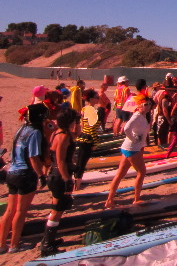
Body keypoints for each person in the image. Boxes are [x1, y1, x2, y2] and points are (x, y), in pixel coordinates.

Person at [0, 103, 48, 254]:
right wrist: (41, 175)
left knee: (9, 211)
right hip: (25, 174)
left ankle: (1, 244)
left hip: (12, 172)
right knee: (20, 211)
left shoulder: (21, 129)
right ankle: (14, 245)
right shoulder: (35, 132)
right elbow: (33, 157)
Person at [40, 108, 79, 257]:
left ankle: (48, 240)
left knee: (57, 209)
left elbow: (77, 134)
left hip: (55, 174)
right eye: (74, 120)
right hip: (59, 175)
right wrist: (67, 179)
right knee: (57, 210)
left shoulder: (57, 133)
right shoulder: (63, 136)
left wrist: (77, 121)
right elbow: (61, 160)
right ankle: (47, 244)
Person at [104, 97, 154, 208]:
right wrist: (134, 139)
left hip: (130, 147)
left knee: (120, 174)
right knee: (141, 172)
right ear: (139, 106)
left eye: (149, 104)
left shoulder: (142, 116)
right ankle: (136, 199)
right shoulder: (137, 115)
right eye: (145, 104)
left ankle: (109, 200)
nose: (148, 106)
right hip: (132, 148)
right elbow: (126, 128)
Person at [72, 89, 102, 192]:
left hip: (83, 136)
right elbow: (91, 129)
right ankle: (76, 186)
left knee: (80, 162)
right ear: (91, 99)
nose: (98, 99)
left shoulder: (84, 109)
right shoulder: (91, 111)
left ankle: (76, 184)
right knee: (81, 163)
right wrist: (95, 143)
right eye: (97, 97)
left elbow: (83, 125)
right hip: (88, 139)